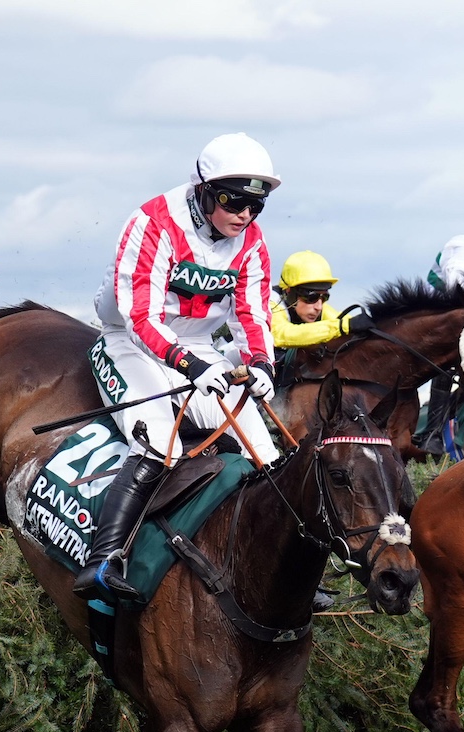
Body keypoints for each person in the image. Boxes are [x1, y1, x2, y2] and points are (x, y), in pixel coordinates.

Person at [73, 133, 284, 601]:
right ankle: (104, 561)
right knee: (159, 443)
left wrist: (262, 363)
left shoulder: (251, 240)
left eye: (256, 205)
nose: (245, 215)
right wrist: (187, 363)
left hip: (199, 350)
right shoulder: (154, 222)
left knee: (266, 456)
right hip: (131, 342)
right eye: (234, 201)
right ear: (204, 189)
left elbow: (251, 313)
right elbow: (141, 316)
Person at [269, 250, 369, 352]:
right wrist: (341, 327)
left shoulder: (318, 306)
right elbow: (279, 335)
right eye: (312, 297)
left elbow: (344, 321)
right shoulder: (270, 302)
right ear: (289, 291)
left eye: (324, 297)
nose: (319, 307)